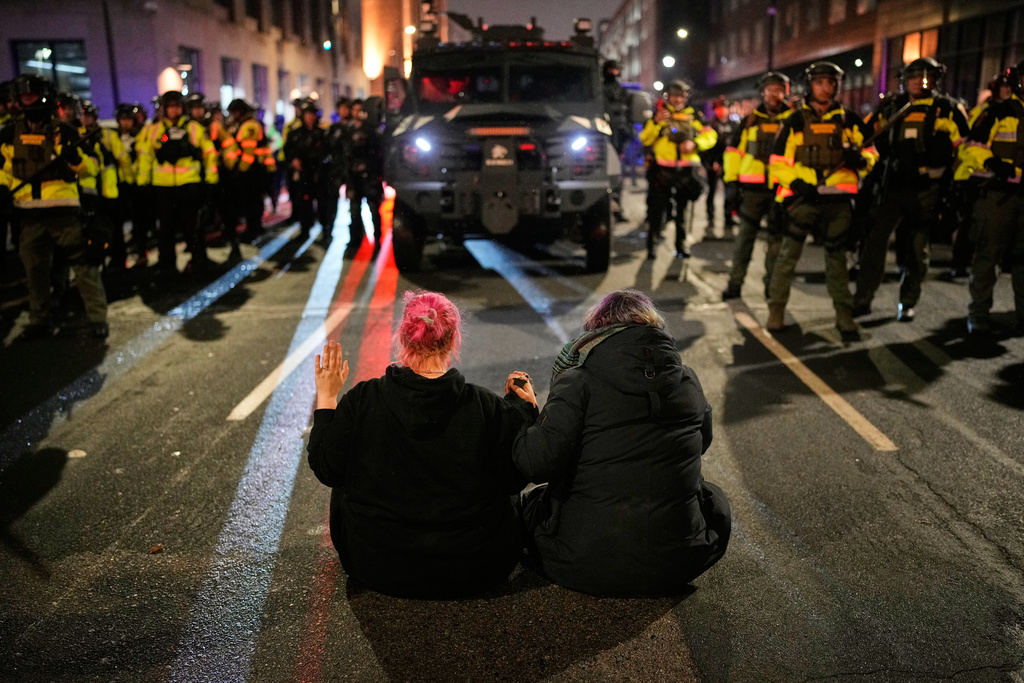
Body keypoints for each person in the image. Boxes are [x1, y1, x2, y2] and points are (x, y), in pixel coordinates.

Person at [307, 290, 538, 598]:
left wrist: (327, 397)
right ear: (454, 339)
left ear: (403, 338)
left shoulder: (363, 400)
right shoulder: (485, 406)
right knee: (503, 470)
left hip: (376, 565)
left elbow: (327, 469)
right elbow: (516, 477)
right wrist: (523, 412)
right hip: (477, 566)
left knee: (344, 463)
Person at [510, 289, 730, 597]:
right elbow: (699, 443)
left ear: (598, 333)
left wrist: (526, 411)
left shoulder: (578, 381)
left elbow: (535, 464)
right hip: (680, 562)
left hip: (585, 565)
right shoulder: (687, 379)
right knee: (711, 496)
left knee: (534, 502)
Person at [852, 58, 969, 322]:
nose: (919, 81)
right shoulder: (892, 106)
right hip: (892, 186)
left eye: (925, 75)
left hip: (928, 189)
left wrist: (954, 187)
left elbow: (964, 149)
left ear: (935, 79)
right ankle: (862, 298)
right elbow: (866, 136)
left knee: (918, 250)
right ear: (905, 79)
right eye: (913, 76)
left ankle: (908, 301)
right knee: (874, 244)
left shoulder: (948, 109)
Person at [766, 62, 876, 336]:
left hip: (839, 202)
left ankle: (844, 315)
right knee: (787, 257)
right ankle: (776, 310)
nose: (827, 88)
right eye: (821, 82)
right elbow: (777, 162)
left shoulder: (850, 120)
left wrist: (861, 159)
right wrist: (796, 183)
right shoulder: (794, 121)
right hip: (804, 201)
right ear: (810, 85)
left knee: (837, 260)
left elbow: (872, 153)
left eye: (831, 82)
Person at [0, 74, 108, 339]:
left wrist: (75, 160)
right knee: (34, 271)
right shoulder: (9, 134)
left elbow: (93, 167)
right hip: (29, 214)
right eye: (23, 95)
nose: (27, 99)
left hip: (65, 213)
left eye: (32, 94)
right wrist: (2, 188)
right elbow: (3, 169)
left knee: (84, 268)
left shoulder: (66, 131)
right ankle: (39, 320)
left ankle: (97, 319)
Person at [958, 67, 1024, 335]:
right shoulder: (998, 111)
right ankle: (979, 313)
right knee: (988, 256)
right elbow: (970, 147)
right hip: (999, 195)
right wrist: (993, 163)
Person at [721, 72, 794, 300]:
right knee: (744, 240)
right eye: (770, 89)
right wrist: (731, 182)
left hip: (779, 190)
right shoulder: (750, 120)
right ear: (762, 92)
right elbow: (733, 152)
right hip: (751, 190)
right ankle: (735, 284)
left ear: (786, 92)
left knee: (776, 242)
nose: (774, 94)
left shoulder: (794, 119)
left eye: (779, 89)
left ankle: (771, 286)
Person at [136, 90, 219, 275]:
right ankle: (166, 263)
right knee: (166, 228)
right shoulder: (156, 130)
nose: (175, 110)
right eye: (171, 106)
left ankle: (199, 260)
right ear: (164, 109)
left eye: (177, 106)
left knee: (193, 227)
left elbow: (209, 154)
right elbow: (147, 156)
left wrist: (211, 180)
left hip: (189, 185)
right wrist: (143, 182)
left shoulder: (194, 129)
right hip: (163, 187)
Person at [639, 80, 717, 259]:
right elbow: (645, 139)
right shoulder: (658, 115)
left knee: (683, 212)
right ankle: (652, 246)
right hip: (662, 171)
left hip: (686, 172)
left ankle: (681, 246)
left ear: (686, 97)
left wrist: (695, 143)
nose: (677, 99)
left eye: (680, 96)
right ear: (667, 97)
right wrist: (656, 122)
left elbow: (711, 136)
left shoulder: (695, 116)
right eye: (673, 95)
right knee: (657, 212)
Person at [342, 98, 385, 258]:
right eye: (354, 110)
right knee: (354, 210)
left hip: (370, 177)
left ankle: (377, 240)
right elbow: (344, 156)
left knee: (374, 210)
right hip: (354, 178)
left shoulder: (371, 130)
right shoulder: (347, 131)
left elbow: (378, 154)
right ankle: (356, 239)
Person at [283, 99, 330, 238]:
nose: (310, 117)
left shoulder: (323, 133)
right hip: (304, 175)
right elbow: (287, 151)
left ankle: (325, 230)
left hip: (320, 174)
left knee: (323, 204)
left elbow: (329, 152)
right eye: (307, 114)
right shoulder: (295, 134)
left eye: (312, 114)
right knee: (304, 203)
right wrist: (293, 161)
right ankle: (305, 230)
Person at [701, 97, 739, 234]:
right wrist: (711, 163)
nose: (722, 111)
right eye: (719, 108)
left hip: (730, 164)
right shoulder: (710, 125)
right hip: (713, 164)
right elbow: (706, 147)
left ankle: (728, 216)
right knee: (711, 191)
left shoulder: (735, 126)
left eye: (725, 108)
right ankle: (710, 216)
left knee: (730, 192)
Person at [602, 59, 631, 222]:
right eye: (611, 69)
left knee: (619, 174)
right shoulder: (599, 90)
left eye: (616, 69)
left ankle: (616, 205)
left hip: (620, 138)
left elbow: (628, 113)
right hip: (604, 138)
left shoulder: (622, 92)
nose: (614, 72)